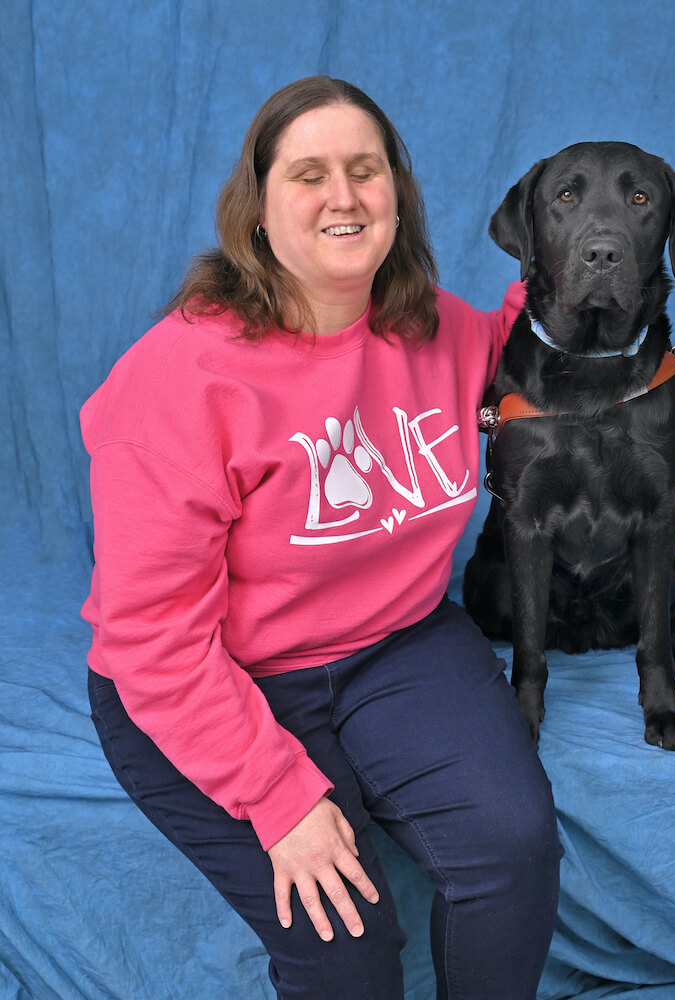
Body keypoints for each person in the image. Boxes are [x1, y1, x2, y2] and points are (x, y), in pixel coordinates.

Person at [81, 75, 561, 999]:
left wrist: (589, 275)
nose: (343, 195)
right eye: (309, 174)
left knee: (513, 849)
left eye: (365, 170)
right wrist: (275, 796)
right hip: (209, 675)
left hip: (397, 643)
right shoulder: (180, 378)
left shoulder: (443, 332)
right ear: (258, 211)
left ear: (396, 198)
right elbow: (150, 636)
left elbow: (540, 353)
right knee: (344, 942)